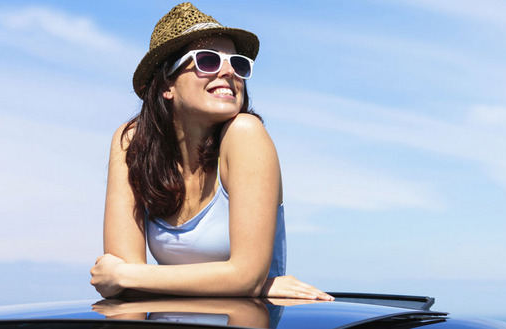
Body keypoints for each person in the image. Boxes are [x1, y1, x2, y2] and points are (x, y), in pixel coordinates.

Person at [89, 2, 332, 301]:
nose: (229, 71)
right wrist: (237, 280)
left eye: (238, 64)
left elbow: (246, 278)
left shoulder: (245, 134)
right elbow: (121, 289)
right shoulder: (132, 143)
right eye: (207, 60)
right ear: (167, 84)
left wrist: (130, 274)